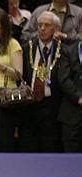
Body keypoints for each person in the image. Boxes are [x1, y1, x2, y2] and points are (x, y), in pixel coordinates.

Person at [20, 11, 63, 152]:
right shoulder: (28, 47)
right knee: (29, 146)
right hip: (29, 104)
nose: (42, 28)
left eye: (47, 25)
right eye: (40, 25)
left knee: (49, 146)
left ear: (55, 29)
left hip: (52, 106)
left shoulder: (62, 50)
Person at [0, 8, 23, 152]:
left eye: (0, 29)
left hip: (6, 100)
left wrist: (1, 67)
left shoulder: (12, 44)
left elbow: (18, 75)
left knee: (4, 139)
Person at [57, 40, 82, 152]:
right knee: (71, 154)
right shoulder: (68, 50)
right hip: (72, 111)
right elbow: (63, 78)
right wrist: (78, 97)